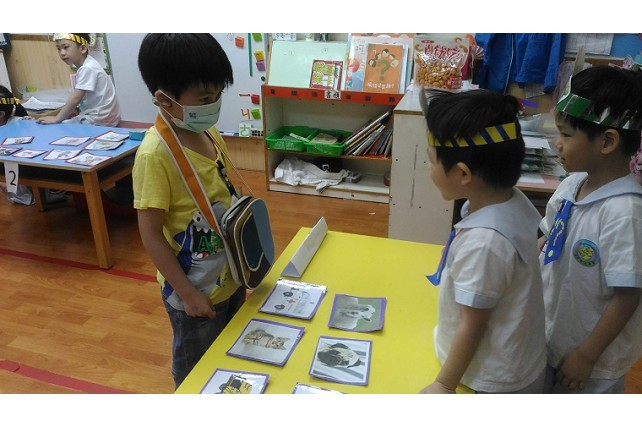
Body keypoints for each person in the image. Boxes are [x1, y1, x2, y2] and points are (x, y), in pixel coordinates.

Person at [133, 33, 245, 389]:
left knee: (230, 359)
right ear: (164, 99)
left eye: (218, 95)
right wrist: (188, 294)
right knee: (195, 374)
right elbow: (151, 234)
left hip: (230, 277)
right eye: (205, 99)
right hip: (195, 293)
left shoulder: (208, 132)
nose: (214, 105)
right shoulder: (154, 156)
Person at [419, 88, 546, 394]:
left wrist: (443, 384)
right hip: (515, 359)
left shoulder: (486, 241)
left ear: (463, 173)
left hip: (490, 380)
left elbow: (473, 324)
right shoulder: (510, 200)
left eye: (432, 161)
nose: (429, 169)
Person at [539, 66, 642, 394]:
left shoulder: (625, 212)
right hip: (553, 338)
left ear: (607, 141)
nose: (558, 145)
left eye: (567, 135)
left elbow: (628, 296)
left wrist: (586, 355)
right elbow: (548, 240)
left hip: (593, 363)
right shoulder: (570, 186)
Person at [37, 33, 121, 126]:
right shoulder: (88, 64)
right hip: (104, 118)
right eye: (59, 49)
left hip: (98, 120)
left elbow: (76, 98)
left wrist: (57, 118)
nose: (62, 53)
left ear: (83, 48)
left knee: (57, 126)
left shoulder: (87, 68)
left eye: (66, 47)